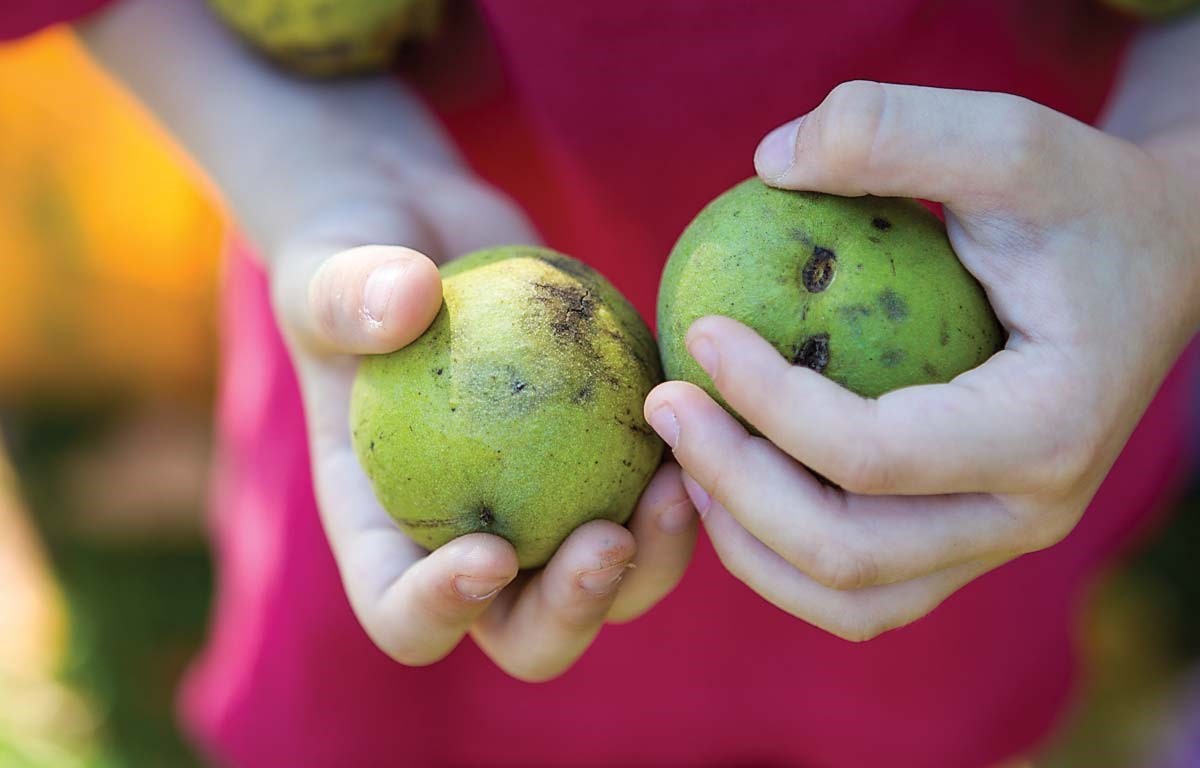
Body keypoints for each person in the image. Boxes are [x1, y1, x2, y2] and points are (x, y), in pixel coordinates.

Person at [4, 0, 1199, 765]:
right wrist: (299, 162)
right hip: (430, 206)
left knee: (899, 675)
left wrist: (1176, 189)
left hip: (1020, 283)